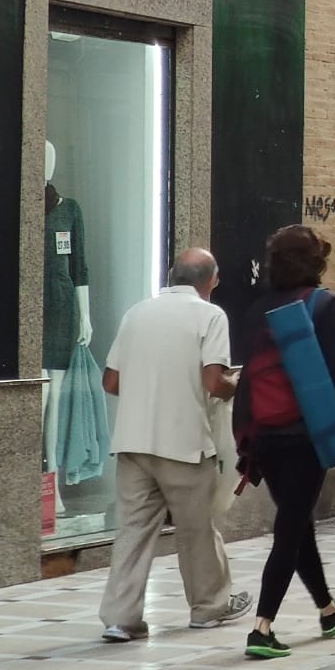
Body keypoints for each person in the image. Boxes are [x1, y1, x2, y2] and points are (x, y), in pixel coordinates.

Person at [97, 249, 248, 640]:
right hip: (184, 442)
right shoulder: (210, 316)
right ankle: (208, 607)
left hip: (132, 441)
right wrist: (238, 386)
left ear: (172, 275)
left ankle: (120, 618)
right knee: (196, 529)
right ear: (210, 280)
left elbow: (111, 382)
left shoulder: (137, 313)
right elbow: (215, 382)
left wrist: (150, 391)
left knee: (132, 531)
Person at [232, 226, 335, 660]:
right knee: (289, 529)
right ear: (315, 263)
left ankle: (327, 609)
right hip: (306, 433)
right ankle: (262, 626)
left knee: (297, 522)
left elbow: (248, 373)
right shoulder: (322, 305)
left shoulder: (258, 309)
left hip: (263, 433)